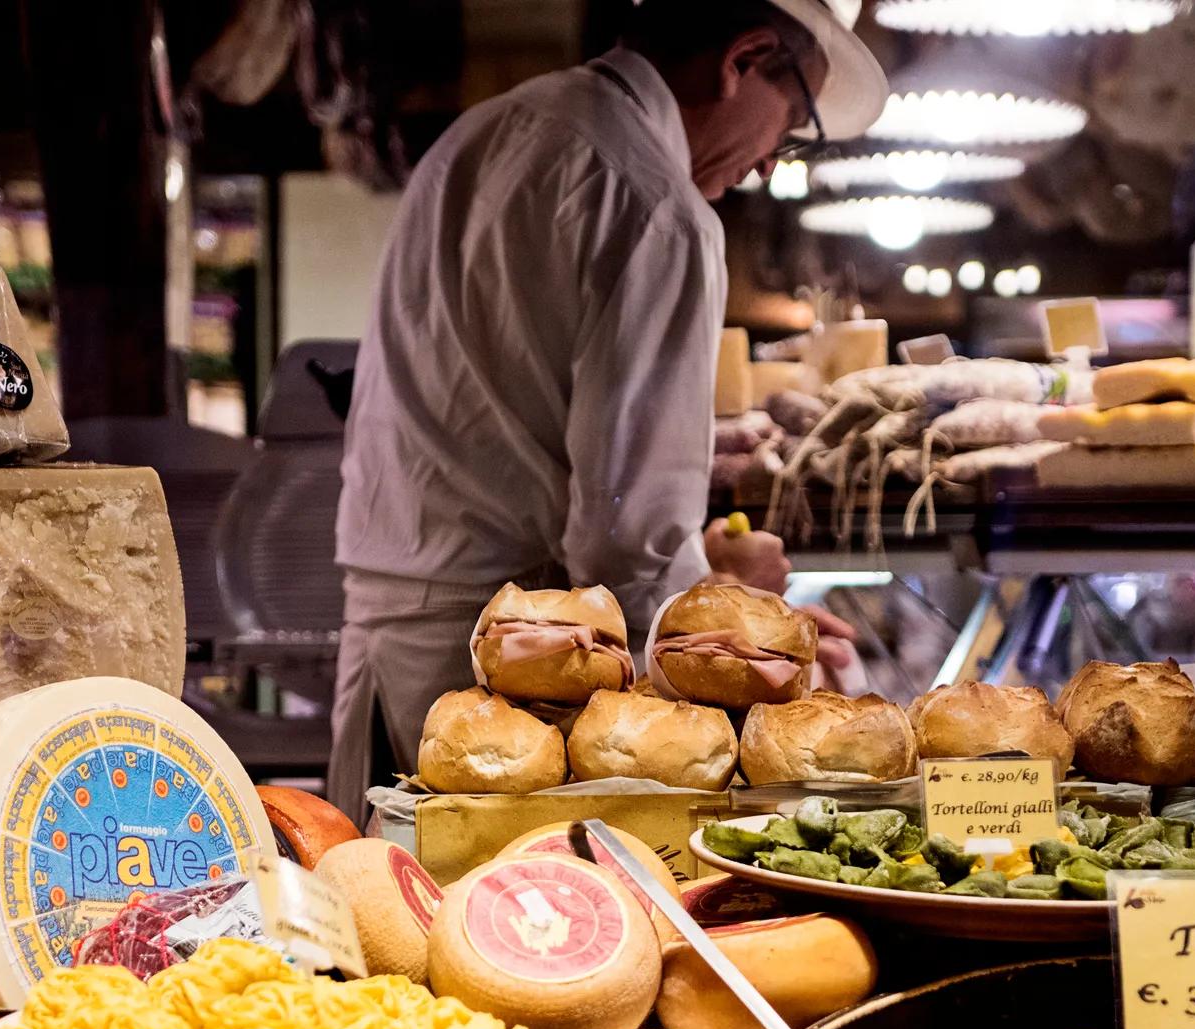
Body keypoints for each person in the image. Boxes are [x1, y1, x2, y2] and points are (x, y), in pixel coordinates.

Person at [327, 0, 886, 806]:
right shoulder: (659, 205)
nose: (768, 165)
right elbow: (626, 543)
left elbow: (506, 428)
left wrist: (694, 569)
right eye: (791, 124)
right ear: (745, 57)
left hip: (386, 642)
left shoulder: (481, 132)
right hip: (515, 674)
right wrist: (715, 612)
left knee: (391, 905)